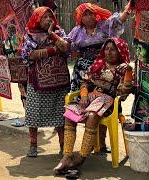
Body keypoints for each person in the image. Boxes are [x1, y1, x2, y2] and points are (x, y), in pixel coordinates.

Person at [54, 38, 134, 172]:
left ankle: (81, 157)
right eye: (107, 49)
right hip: (90, 98)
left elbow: (124, 94)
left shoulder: (123, 69)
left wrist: (128, 71)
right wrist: (84, 95)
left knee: (92, 116)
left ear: (120, 52)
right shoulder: (98, 64)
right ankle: (67, 156)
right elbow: (84, 82)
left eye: (113, 49)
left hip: (108, 103)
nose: (109, 52)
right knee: (70, 114)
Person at [68, 2, 132, 152]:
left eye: (91, 13)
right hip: (83, 72)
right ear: (80, 18)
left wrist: (127, 11)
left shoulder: (104, 25)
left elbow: (117, 21)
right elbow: (68, 46)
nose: (89, 16)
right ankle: (90, 144)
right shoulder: (77, 31)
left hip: (104, 67)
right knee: (86, 104)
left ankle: (101, 144)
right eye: (85, 14)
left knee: (102, 104)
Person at [21, 6, 71, 157]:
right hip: (37, 82)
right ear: (37, 19)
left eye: (51, 16)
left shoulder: (59, 32)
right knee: (33, 114)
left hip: (59, 81)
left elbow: (66, 48)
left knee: (61, 115)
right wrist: (52, 51)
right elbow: (29, 55)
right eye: (45, 17)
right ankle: (33, 145)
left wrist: (52, 35)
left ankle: (63, 146)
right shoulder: (31, 35)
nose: (49, 19)